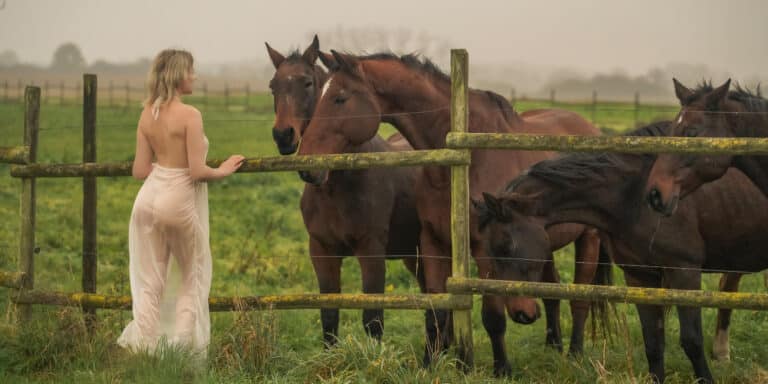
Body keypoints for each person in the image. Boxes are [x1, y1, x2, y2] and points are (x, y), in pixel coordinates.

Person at [117, 49, 245, 354]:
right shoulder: (190, 115)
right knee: (192, 275)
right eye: (191, 70)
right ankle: (181, 349)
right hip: (177, 202)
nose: (195, 76)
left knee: (151, 280)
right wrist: (224, 169)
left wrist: (163, 171)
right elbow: (197, 171)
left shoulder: (147, 112)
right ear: (178, 75)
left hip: (147, 200)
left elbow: (138, 171)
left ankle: (144, 349)